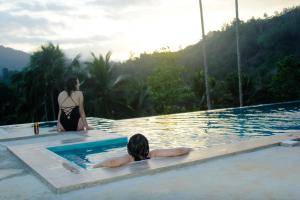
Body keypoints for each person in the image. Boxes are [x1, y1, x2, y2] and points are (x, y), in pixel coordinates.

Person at [93, 133, 191, 168]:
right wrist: (189, 149)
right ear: (147, 148)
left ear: (129, 149)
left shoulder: (128, 158)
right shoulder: (153, 154)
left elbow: (112, 162)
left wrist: (97, 165)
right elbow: (178, 151)